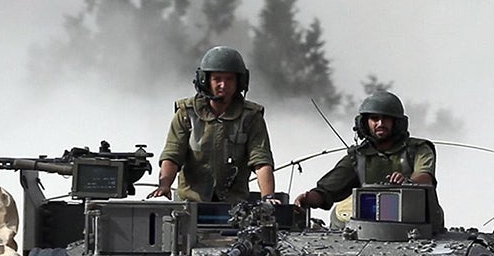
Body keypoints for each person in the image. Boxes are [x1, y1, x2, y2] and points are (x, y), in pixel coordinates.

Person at [150, 46, 277, 202]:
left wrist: (268, 196)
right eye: (217, 79)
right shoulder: (187, 114)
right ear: (206, 80)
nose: (223, 85)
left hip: (234, 205)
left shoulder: (250, 117)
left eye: (229, 79)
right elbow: (173, 153)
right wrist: (165, 184)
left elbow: (261, 159)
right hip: (191, 203)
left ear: (239, 81)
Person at [296, 90, 435, 210]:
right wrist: (307, 198)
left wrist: (408, 183)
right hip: (369, 226)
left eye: (386, 119)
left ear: (397, 123)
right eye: (375, 118)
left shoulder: (417, 149)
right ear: (364, 123)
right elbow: (328, 190)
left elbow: (425, 177)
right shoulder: (358, 157)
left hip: (415, 225)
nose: (380, 124)